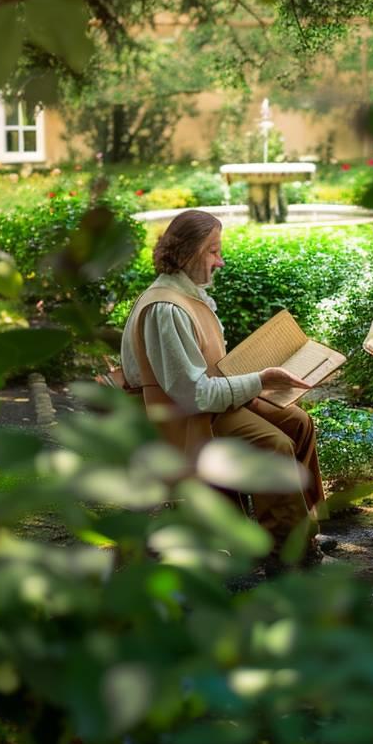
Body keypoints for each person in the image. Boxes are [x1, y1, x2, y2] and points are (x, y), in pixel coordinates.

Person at [119, 209, 328, 566]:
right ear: (186, 253)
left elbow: (204, 377)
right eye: (213, 251)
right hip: (180, 419)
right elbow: (193, 395)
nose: (221, 261)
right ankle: (284, 557)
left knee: (297, 422)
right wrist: (260, 380)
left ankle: (299, 533)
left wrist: (255, 377)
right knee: (273, 444)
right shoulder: (166, 308)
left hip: (205, 405)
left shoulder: (188, 295)